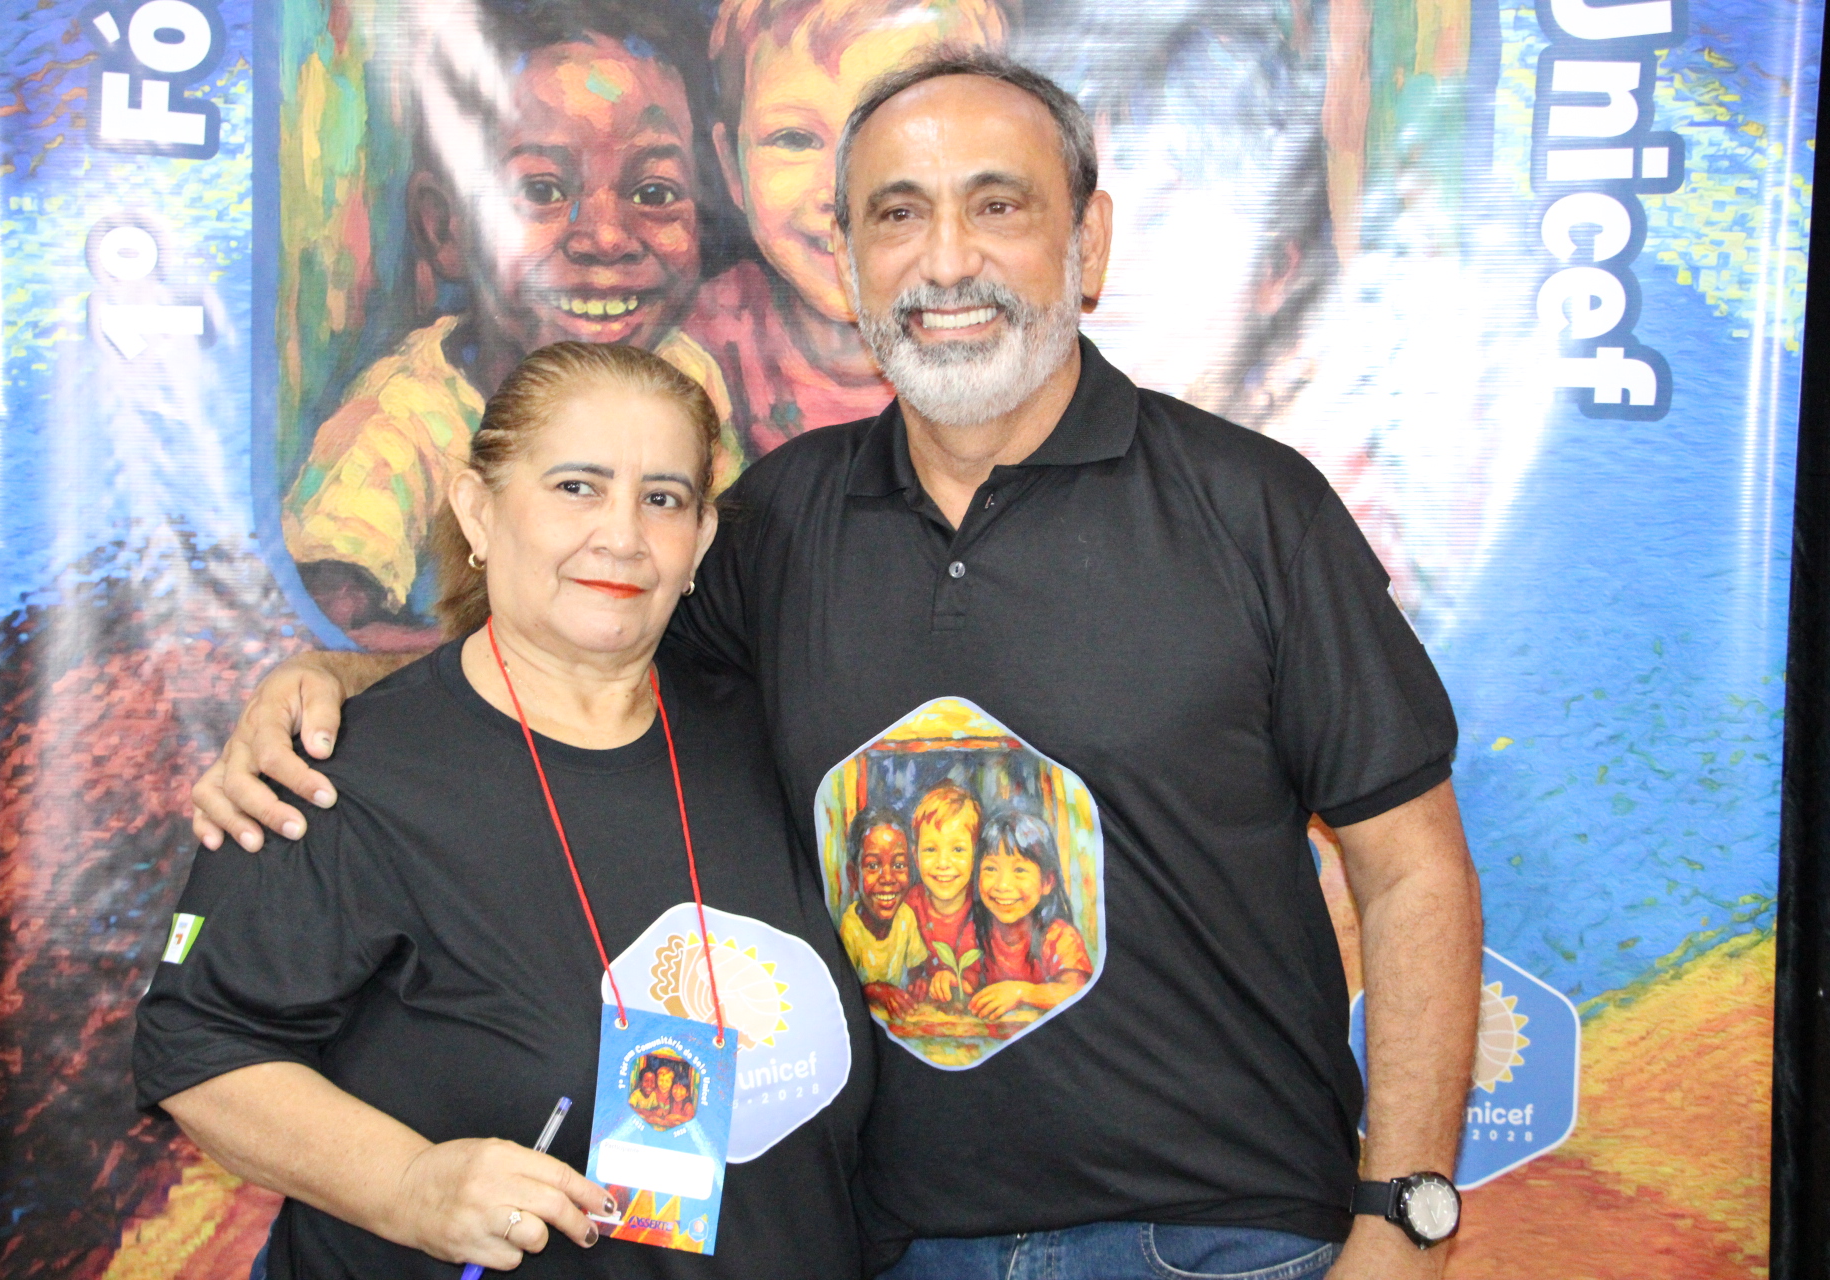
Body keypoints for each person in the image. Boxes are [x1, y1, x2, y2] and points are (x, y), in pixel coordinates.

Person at [193, 50, 1482, 1280]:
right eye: (898, 213)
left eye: (998, 205)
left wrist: (1404, 1215)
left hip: (1218, 1240)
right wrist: (329, 686)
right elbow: (566, 670)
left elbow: (1411, 866)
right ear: (849, 258)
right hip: (888, 1243)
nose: (947, 258)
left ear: (1087, 243)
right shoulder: (778, 522)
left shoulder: (1253, 510)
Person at [139, 343, 873, 1277]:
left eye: (662, 498)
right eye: (576, 487)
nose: (621, 535)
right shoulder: (344, 773)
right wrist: (409, 1186)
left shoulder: (768, 732)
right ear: (478, 511)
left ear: (700, 541)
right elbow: (199, 1046)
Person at [282, 0, 739, 650]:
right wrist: (537, 665)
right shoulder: (403, 420)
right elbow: (330, 626)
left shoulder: (687, 377)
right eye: (541, 191)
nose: (607, 238)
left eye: (655, 193)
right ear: (445, 229)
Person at [689, 0, 1007, 460]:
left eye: (891, 136)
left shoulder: (1006, 332)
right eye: (795, 139)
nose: (841, 191)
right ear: (732, 168)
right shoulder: (706, 351)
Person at [966, 810, 1092, 1020]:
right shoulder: (976, 931)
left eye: (1019, 870)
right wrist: (950, 980)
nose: (1003, 885)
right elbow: (967, 979)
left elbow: (1076, 989)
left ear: (1047, 882)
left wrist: (1021, 993)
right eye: (991, 869)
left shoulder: (1059, 936)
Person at [837, 808, 927, 1018]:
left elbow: (917, 968)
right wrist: (876, 991)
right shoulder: (850, 928)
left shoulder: (905, 917)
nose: (887, 878)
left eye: (899, 864)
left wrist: (919, 982)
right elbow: (843, 989)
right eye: (873, 865)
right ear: (853, 876)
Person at [900, 782, 983, 1005]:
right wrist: (919, 982)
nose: (943, 863)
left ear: (975, 855)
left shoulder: (984, 907)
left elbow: (979, 976)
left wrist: (957, 981)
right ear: (916, 856)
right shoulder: (907, 908)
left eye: (958, 849)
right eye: (931, 849)